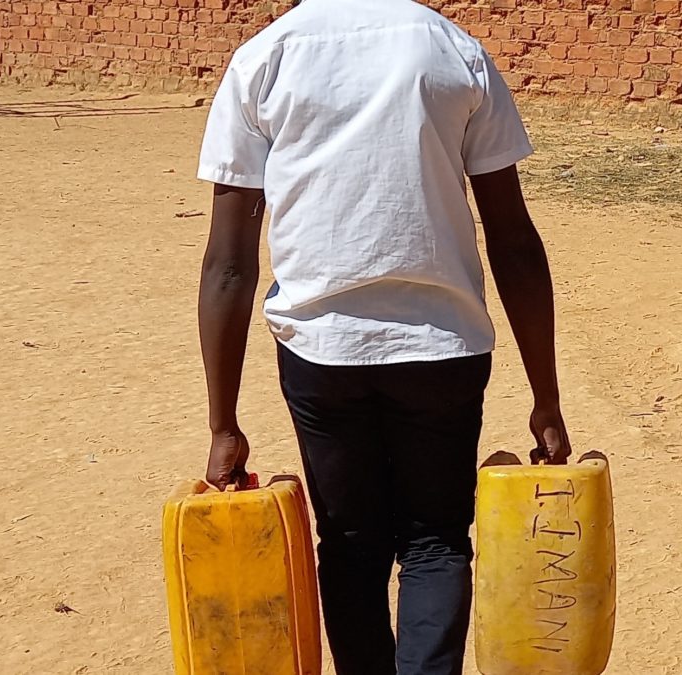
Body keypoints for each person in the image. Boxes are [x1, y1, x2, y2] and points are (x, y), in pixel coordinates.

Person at [195, 0, 571, 673]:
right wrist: (546, 399)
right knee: (436, 541)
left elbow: (228, 263)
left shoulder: (264, 58)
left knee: (349, 544)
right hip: (444, 349)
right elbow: (513, 240)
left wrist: (223, 422)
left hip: (321, 350)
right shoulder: (453, 51)